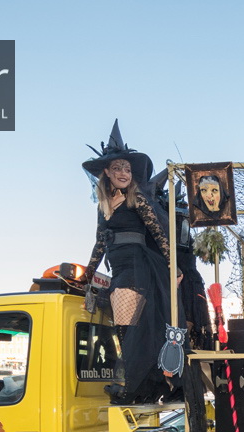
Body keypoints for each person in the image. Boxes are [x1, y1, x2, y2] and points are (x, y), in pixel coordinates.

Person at [83, 122, 177, 404]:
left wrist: (173, 268)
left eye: (127, 169)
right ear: (106, 173)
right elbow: (100, 243)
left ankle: (131, 387)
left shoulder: (138, 198)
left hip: (136, 269)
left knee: (127, 330)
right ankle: (141, 386)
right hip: (120, 269)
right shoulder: (104, 206)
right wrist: (87, 274)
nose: (124, 174)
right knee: (128, 330)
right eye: (117, 169)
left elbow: (159, 233)